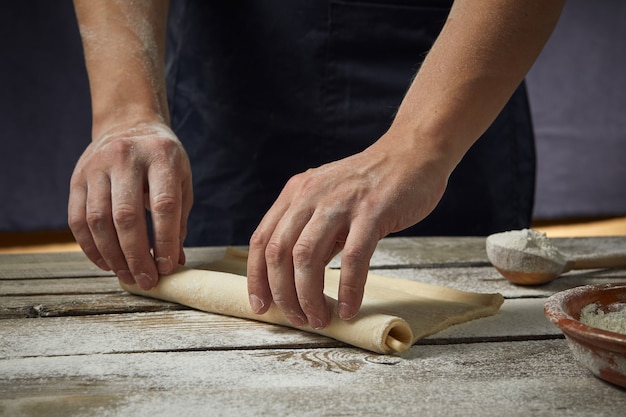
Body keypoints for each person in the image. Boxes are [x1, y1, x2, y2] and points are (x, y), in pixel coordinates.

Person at [68, 0, 564, 330]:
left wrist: (420, 145)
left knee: (473, 327)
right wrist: (127, 111)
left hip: (461, 63)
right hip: (232, 79)